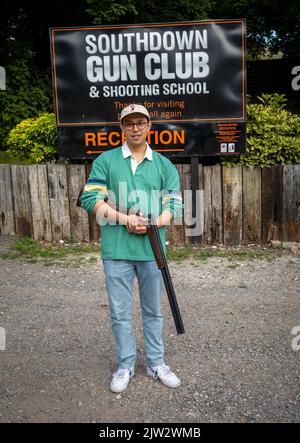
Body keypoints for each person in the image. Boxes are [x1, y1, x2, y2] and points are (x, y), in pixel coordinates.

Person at [80, 104, 183, 393]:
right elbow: (91, 201)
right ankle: (125, 364)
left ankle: (155, 362)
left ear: (149, 125)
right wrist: (126, 219)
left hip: (153, 251)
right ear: (121, 127)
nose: (135, 128)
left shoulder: (164, 165)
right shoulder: (105, 161)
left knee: (153, 311)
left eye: (140, 122)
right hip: (116, 251)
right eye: (129, 123)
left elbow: (175, 204)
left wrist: (152, 223)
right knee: (120, 312)